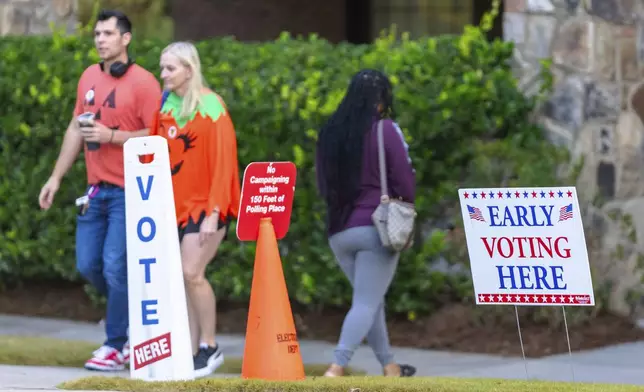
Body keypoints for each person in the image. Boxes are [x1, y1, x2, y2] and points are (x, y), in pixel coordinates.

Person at [37, 9, 162, 371]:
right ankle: (131, 320)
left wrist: (113, 137)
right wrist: (56, 177)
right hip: (95, 191)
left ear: (126, 39)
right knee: (88, 265)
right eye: (96, 34)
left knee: (113, 266)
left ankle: (116, 344)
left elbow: (156, 135)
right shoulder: (89, 76)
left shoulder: (144, 83)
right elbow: (76, 128)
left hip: (130, 192)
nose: (100, 40)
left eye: (108, 33)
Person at [315, 69, 417, 377]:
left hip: (339, 231)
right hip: (376, 227)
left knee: (369, 301)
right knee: (365, 303)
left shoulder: (330, 132)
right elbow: (405, 180)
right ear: (380, 102)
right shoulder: (385, 130)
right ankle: (336, 367)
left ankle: (390, 366)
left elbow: (322, 184)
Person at [148, 41, 241, 378]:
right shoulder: (165, 106)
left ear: (189, 68)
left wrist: (215, 212)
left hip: (206, 207)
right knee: (182, 279)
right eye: (162, 68)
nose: (164, 74)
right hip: (173, 207)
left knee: (192, 273)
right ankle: (189, 351)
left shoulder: (212, 107)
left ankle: (211, 345)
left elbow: (223, 163)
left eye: (170, 68)